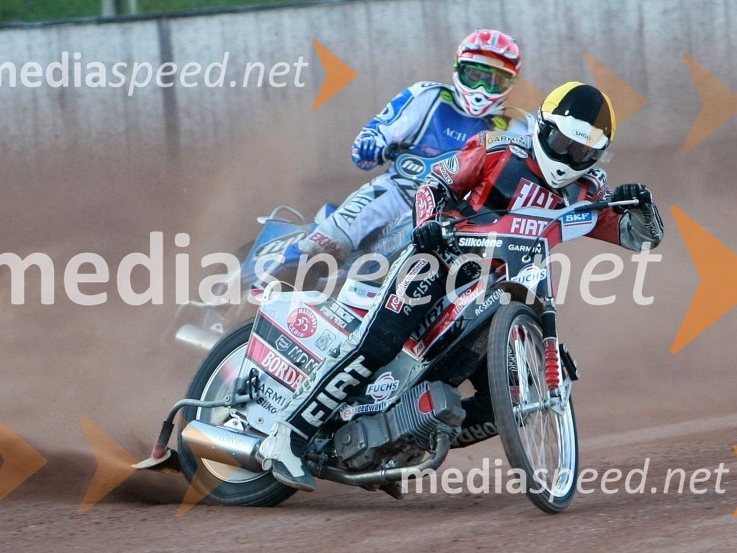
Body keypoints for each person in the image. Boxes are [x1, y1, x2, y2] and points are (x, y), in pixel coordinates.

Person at [256, 82, 665, 491]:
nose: (569, 157)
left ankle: (398, 442)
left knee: (509, 401)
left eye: (582, 151)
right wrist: (428, 224)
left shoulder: (588, 191)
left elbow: (641, 238)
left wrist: (642, 206)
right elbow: (435, 183)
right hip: (440, 259)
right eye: (563, 143)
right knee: (377, 344)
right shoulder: (499, 149)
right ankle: (287, 437)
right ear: (543, 128)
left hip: (499, 294)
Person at [292, 29, 524, 267]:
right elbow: (371, 139)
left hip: (455, 216)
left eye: (494, 81)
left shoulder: (515, 129)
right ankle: (286, 267)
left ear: (510, 82)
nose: (482, 88)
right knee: (327, 243)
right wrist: (373, 145)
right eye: (475, 75)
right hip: (399, 193)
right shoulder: (427, 95)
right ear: (458, 69)